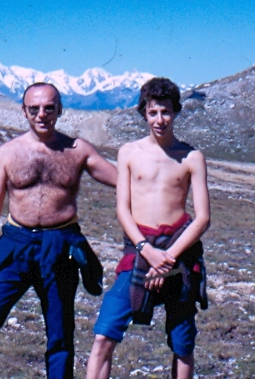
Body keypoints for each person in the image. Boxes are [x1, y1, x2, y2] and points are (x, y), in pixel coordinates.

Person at [0, 82, 118, 379]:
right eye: (34, 109)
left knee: (60, 333)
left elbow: (123, 181)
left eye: (48, 108)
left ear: (59, 109)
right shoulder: (8, 153)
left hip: (60, 243)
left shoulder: (77, 150)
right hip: (15, 242)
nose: (42, 114)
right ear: (24, 111)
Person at [86, 77, 210, 379]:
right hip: (139, 250)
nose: (159, 120)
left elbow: (203, 217)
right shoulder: (129, 152)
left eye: (166, 112)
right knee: (104, 335)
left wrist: (166, 259)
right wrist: (146, 250)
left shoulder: (192, 157)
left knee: (182, 344)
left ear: (176, 112)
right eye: (153, 112)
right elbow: (123, 210)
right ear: (144, 113)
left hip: (178, 254)